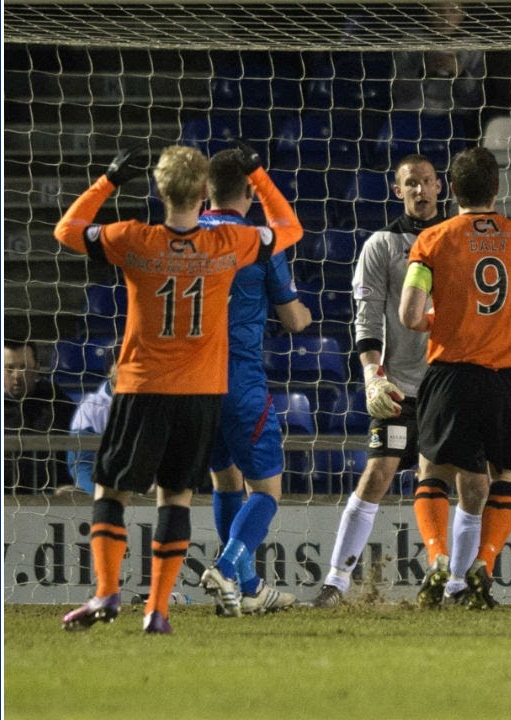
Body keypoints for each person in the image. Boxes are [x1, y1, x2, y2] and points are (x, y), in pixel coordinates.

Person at [55, 143, 303, 634]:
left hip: (142, 385)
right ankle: (159, 610)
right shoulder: (229, 244)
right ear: (204, 191)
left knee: (113, 490)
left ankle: (107, 591)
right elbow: (290, 229)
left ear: (158, 189)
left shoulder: (134, 238)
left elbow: (65, 230)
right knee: (176, 499)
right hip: (200, 391)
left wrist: (107, 181)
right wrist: (261, 175)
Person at [398, 146, 511, 609]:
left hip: (451, 375)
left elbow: (409, 315)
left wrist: (446, 318)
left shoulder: (432, 240)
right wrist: (507, 317)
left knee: (432, 470)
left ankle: (437, 558)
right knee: (505, 475)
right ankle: (482, 567)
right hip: (509, 378)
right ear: (496, 189)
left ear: (450, 190)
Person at [310, 154, 448, 609]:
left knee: (435, 477)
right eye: (411, 183)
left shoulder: (453, 240)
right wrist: (372, 375)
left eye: (427, 182)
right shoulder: (381, 246)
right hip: (399, 386)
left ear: (440, 187)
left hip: (445, 383)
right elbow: (366, 316)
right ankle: (335, 582)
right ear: (397, 191)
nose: (420, 190)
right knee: (377, 473)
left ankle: (441, 579)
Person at [199, 148, 312, 617]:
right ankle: (227, 568)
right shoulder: (261, 241)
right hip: (240, 379)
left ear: (206, 191)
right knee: (266, 491)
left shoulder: (181, 236)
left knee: (225, 481)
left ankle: (246, 589)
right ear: (250, 191)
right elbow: (293, 320)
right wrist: (304, 311)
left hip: (193, 382)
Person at [4, 340, 74, 494]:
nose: (17, 376)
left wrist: (70, 484)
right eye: (9, 368)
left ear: (36, 369)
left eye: (23, 367)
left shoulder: (58, 404)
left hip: (51, 499)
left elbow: (76, 452)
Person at [66, 346, 117, 495]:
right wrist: (100, 494)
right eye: (123, 363)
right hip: (99, 493)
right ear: (109, 371)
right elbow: (81, 464)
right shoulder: (91, 408)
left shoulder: (155, 404)